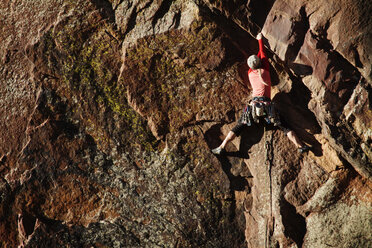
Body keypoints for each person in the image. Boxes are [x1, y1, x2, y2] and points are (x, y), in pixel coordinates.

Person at [212, 33, 310, 155]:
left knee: (239, 127)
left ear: (250, 66)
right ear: (260, 63)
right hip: (268, 107)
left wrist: (257, 53)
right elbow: (262, 53)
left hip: (253, 107)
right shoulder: (265, 70)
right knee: (285, 127)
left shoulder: (250, 72)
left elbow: (259, 58)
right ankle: (300, 146)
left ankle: (221, 147)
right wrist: (260, 40)